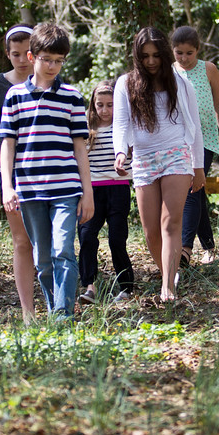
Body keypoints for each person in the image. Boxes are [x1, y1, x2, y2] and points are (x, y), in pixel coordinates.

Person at [0, 23, 94, 319]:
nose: (53, 66)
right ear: (31, 57)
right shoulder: (14, 96)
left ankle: (63, 316)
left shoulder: (72, 97)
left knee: (63, 249)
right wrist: (7, 187)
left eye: (59, 60)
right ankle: (54, 309)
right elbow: (7, 145)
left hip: (66, 189)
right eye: (47, 59)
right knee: (42, 258)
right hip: (30, 191)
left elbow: (80, 148)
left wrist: (87, 192)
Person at [113, 27, 205, 302]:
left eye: (156, 55)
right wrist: (121, 153)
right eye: (145, 57)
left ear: (164, 55)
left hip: (176, 154)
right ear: (137, 57)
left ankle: (168, 287)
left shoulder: (179, 82)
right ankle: (169, 272)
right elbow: (121, 123)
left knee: (169, 223)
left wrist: (198, 166)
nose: (151, 61)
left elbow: (195, 125)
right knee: (151, 231)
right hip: (143, 158)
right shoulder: (126, 84)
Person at [0, 25, 36, 323]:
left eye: (27, 52)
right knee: (21, 241)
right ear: (7, 54)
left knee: (50, 241)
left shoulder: (50, 79)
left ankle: (57, 306)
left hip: (47, 171)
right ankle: (28, 311)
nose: (22, 59)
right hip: (12, 175)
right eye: (15, 54)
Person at [171, 26, 219, 266]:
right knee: (197, 187)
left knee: (193, 186)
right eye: (179, 53)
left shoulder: (209, 69)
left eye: (189, 53)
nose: (184, 58)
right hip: (178, 138)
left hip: (204, 137)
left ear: (198, 50)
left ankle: (185, 248)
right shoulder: (169, 71)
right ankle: (209, 247)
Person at [77, 81, 134, 304]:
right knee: (87, 236)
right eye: (99, 105)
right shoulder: (85, 127)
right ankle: (89, 285)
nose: (104, 110)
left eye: (110, 105)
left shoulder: (124, 126)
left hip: (118, 189)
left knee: (116, 239)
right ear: (93, 105)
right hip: (91, 191)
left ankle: (126, 287)